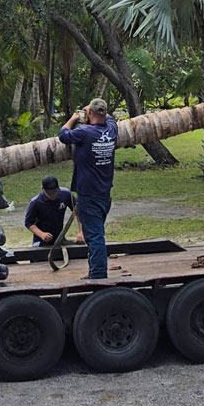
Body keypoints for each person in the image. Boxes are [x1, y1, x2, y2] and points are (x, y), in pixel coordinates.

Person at [58, 98, 118, 279]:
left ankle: (98, 275)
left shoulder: (85, 132)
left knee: (95, 237)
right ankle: (94, 271)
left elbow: (63, 135)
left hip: (88, 195)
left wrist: (75, 117)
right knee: (95, 233)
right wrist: (95, 111)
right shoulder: (111, 129)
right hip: (104, 193)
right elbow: (110, 118)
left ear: (90, 113)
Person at [23, 174, 75, 247]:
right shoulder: (35, 202)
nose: (53, 195)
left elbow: (78, 211)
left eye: (55, 192)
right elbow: (28, 222)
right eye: (49, 193)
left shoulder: (66, 194)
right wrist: (41, 234)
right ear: (42, 189)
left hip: (60, 238)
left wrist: (81, 232)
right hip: (41, 240)